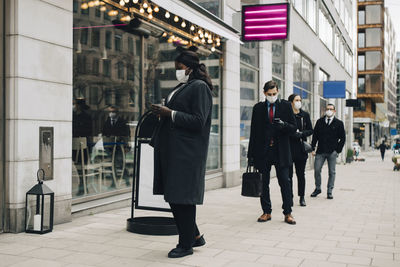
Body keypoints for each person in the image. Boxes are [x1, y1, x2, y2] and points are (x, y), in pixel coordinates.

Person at [150, 48, 213, 258]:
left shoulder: (200, 87)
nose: (177, 70)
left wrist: (171, 113)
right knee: (175, 196)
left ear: (189, 67)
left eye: (179, 67)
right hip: (174, 151)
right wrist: (163, 113)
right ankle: (194, 236)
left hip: (187, 154)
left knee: (182, 198)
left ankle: (186, 245)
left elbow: (198, 121)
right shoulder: (182, 87)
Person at [247, 81, 297, 225]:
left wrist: (284, 125)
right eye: (269, 94)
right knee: (263, 184)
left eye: (274, 94)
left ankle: (288, 213)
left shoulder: (286, 106)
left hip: (281, 151)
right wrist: (251, 156)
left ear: (278, 92)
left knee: (285, 182)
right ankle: (266, 212)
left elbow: (294, 127)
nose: (272, 96)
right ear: (264, 93)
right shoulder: (258, 108)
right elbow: (254, 133)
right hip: (263, 152)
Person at [311, 104, 346, 199]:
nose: (329, 111)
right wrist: (312, 148)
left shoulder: (339, 123)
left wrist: (337, 151)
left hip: (332, 152)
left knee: (332, 172)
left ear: (334, 111)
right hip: (320, 151)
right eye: (327, 109)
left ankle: (329, 191)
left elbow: (342, 138)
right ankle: (317, 188)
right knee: (317, 170)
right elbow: (315, 136)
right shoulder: (319, 122)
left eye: (331, 109)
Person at [287, 94, 313, 207]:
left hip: (301, 149)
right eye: (296, 100)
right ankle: (289, 197)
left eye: (300, 100)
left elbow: (311, 130)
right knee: (288, 175)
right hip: (288, 148)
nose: (299, 102)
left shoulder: (304, 115)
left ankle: (302, 197)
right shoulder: (287, 115)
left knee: (300, 174)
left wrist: (301, 134)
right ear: (291, 102)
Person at [102, 105, 130, 187]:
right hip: (110, 147)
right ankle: (114, 181)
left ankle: (127, 180)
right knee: (112, 164)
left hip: (120, 147)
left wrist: (126, 146)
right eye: (110, 112)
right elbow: (104, 134)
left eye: (113, 112)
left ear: (117, 113)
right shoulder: (107, 122)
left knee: (121, 164)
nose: (111, 113)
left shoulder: (123, 122)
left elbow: (127, 134)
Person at [72, 98, 93, 195]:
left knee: (83, 166)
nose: (74, 106)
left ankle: (83, 186)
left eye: (76, 104)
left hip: (83, 145)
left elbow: (89, 132)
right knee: (78, 166)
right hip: (75, 145)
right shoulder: (73, 116)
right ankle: (82, 185)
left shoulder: (86, 117)